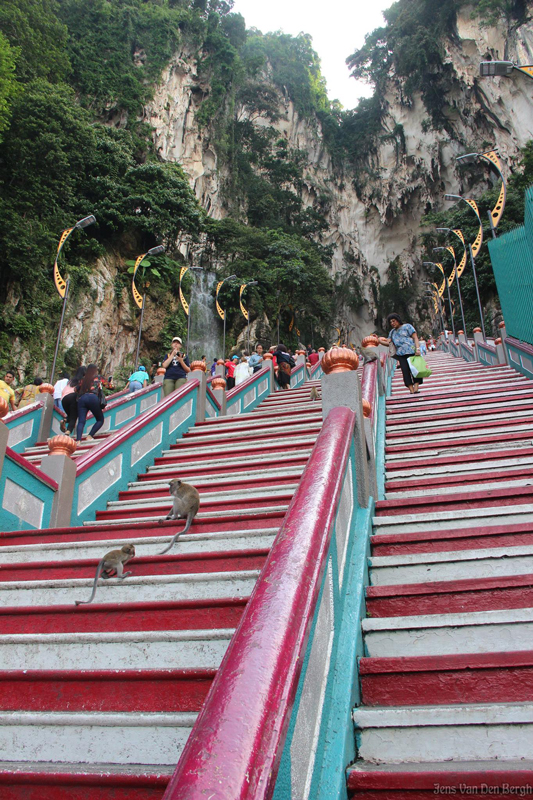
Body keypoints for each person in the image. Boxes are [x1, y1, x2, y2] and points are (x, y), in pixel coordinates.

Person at [378, 313, 423, 394]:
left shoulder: (407, 327)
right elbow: (389, 343)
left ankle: (416, 388)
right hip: (401, 354)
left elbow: (415, 337)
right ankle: (411, 390)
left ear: (398, 320)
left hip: (412, 352)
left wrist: (418, 349)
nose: (392, 323)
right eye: (391, 322)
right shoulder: (392, 332)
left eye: (394, 321)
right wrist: (379, 341)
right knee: (405, 371)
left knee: (415, 370)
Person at [75, 364, 106, 442]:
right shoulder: (98, 378)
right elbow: (110, 386)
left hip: (82, 398)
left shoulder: (83, 379)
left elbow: (76, 389)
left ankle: (78, 440)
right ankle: (90, 435)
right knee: (100, 419)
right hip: (93, 398)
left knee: (81, 421)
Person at [60, 366, 86, 434]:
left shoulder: (71, 381)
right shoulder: (82, 380)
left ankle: (65, 420)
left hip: (64, 399)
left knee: (71, 416)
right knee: (74, 416)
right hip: (73, 397)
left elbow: (63, 391)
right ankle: (68, 431)